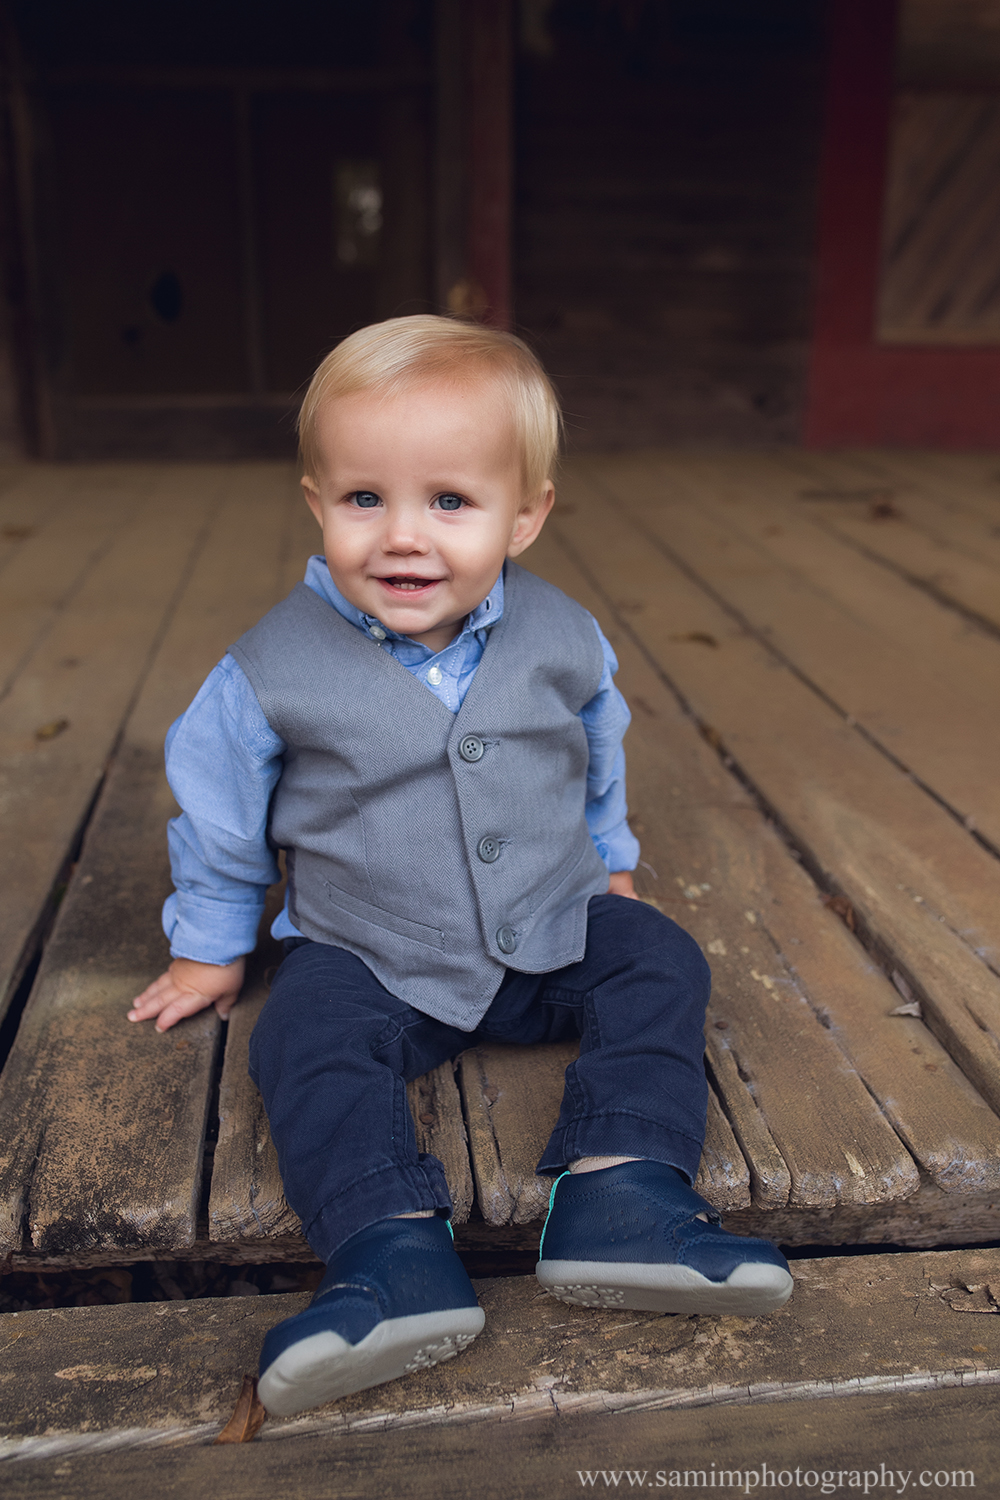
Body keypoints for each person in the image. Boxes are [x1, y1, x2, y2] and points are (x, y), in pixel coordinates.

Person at [127, 315, 792, 1418]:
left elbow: (594, 749)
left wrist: (610, 863)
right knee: (302, 1035)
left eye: (448, 501)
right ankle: (387, 1257)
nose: (402, 536)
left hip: (546, 919)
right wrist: (209, 948)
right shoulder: (267, 667)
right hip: (368, 946)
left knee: (660, 962)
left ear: (523, 515)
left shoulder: (563, 633)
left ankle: (618, 1191)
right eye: (363, 500)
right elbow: (218, 816)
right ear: (314, 502)